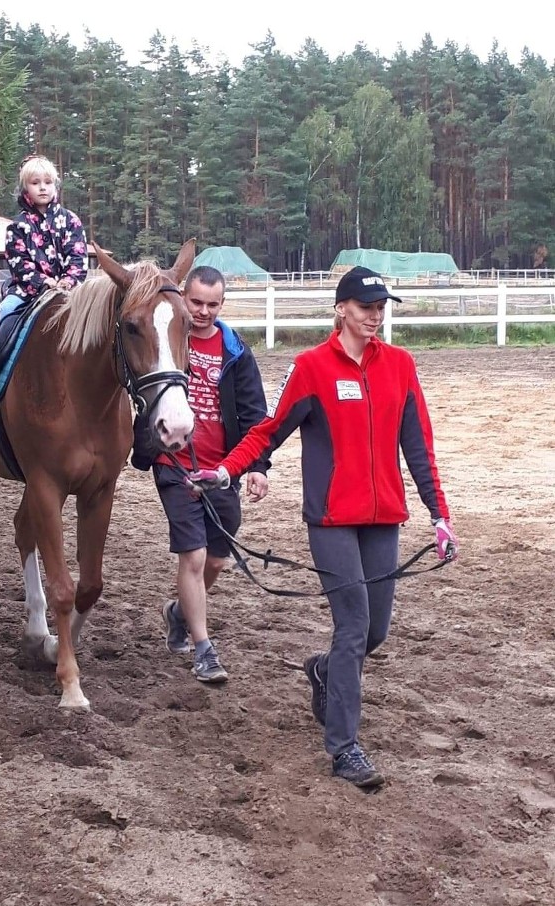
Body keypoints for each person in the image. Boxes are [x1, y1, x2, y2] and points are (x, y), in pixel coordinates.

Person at [189, 265, 458, 788]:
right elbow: (269, 431)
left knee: (374, 632)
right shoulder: (312, 367)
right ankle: (344, 748)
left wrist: (439, 515)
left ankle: (324, 671)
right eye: (365, 307)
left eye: (381, 308)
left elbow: (419, 447)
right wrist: (227, 469)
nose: (375, 316)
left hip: (385, 520)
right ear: (342, 310)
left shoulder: (401, 366)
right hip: (332, 519)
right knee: (354, 626)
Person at [131, 265, 269, 684]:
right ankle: (204, 648)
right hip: (174, 463)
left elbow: (254, 413)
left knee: (216, 559)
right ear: (182, 298)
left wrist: (257, 466)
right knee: (191, 555)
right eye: (196, 302)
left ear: (222, 304)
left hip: (222, 468)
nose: (203, 311)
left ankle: (178, 611)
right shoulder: (167, 339)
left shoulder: (235, 352)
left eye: (212, 304)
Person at [0, 154, 88, 378]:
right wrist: (42, 281)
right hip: (26, 290)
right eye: (35, 183)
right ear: (25, 188)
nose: (43, 188)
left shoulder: (71, 221)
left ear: (55, 185)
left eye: (47, 183)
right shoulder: (18, 225)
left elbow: (78, 256)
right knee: (2, 312)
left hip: (68, 290)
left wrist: (67, 281)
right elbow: (18, 262)